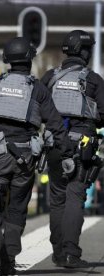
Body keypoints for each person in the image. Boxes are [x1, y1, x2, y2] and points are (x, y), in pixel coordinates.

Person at [0, 37, 73, 275]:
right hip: (25, 158)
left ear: (7, 59)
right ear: (29, 59)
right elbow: (56, 125)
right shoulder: (37, 88)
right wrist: (67, 153)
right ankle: (8, 257)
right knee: (17, 208)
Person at [41, 30, 104, 268]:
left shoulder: (50, 76)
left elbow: (36, 108)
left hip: (54, 145)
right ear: (85, 52)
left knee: (57, 199)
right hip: (81, 146)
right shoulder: (93, 79)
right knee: (75, 197)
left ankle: (58, 253)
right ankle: (70, 253)